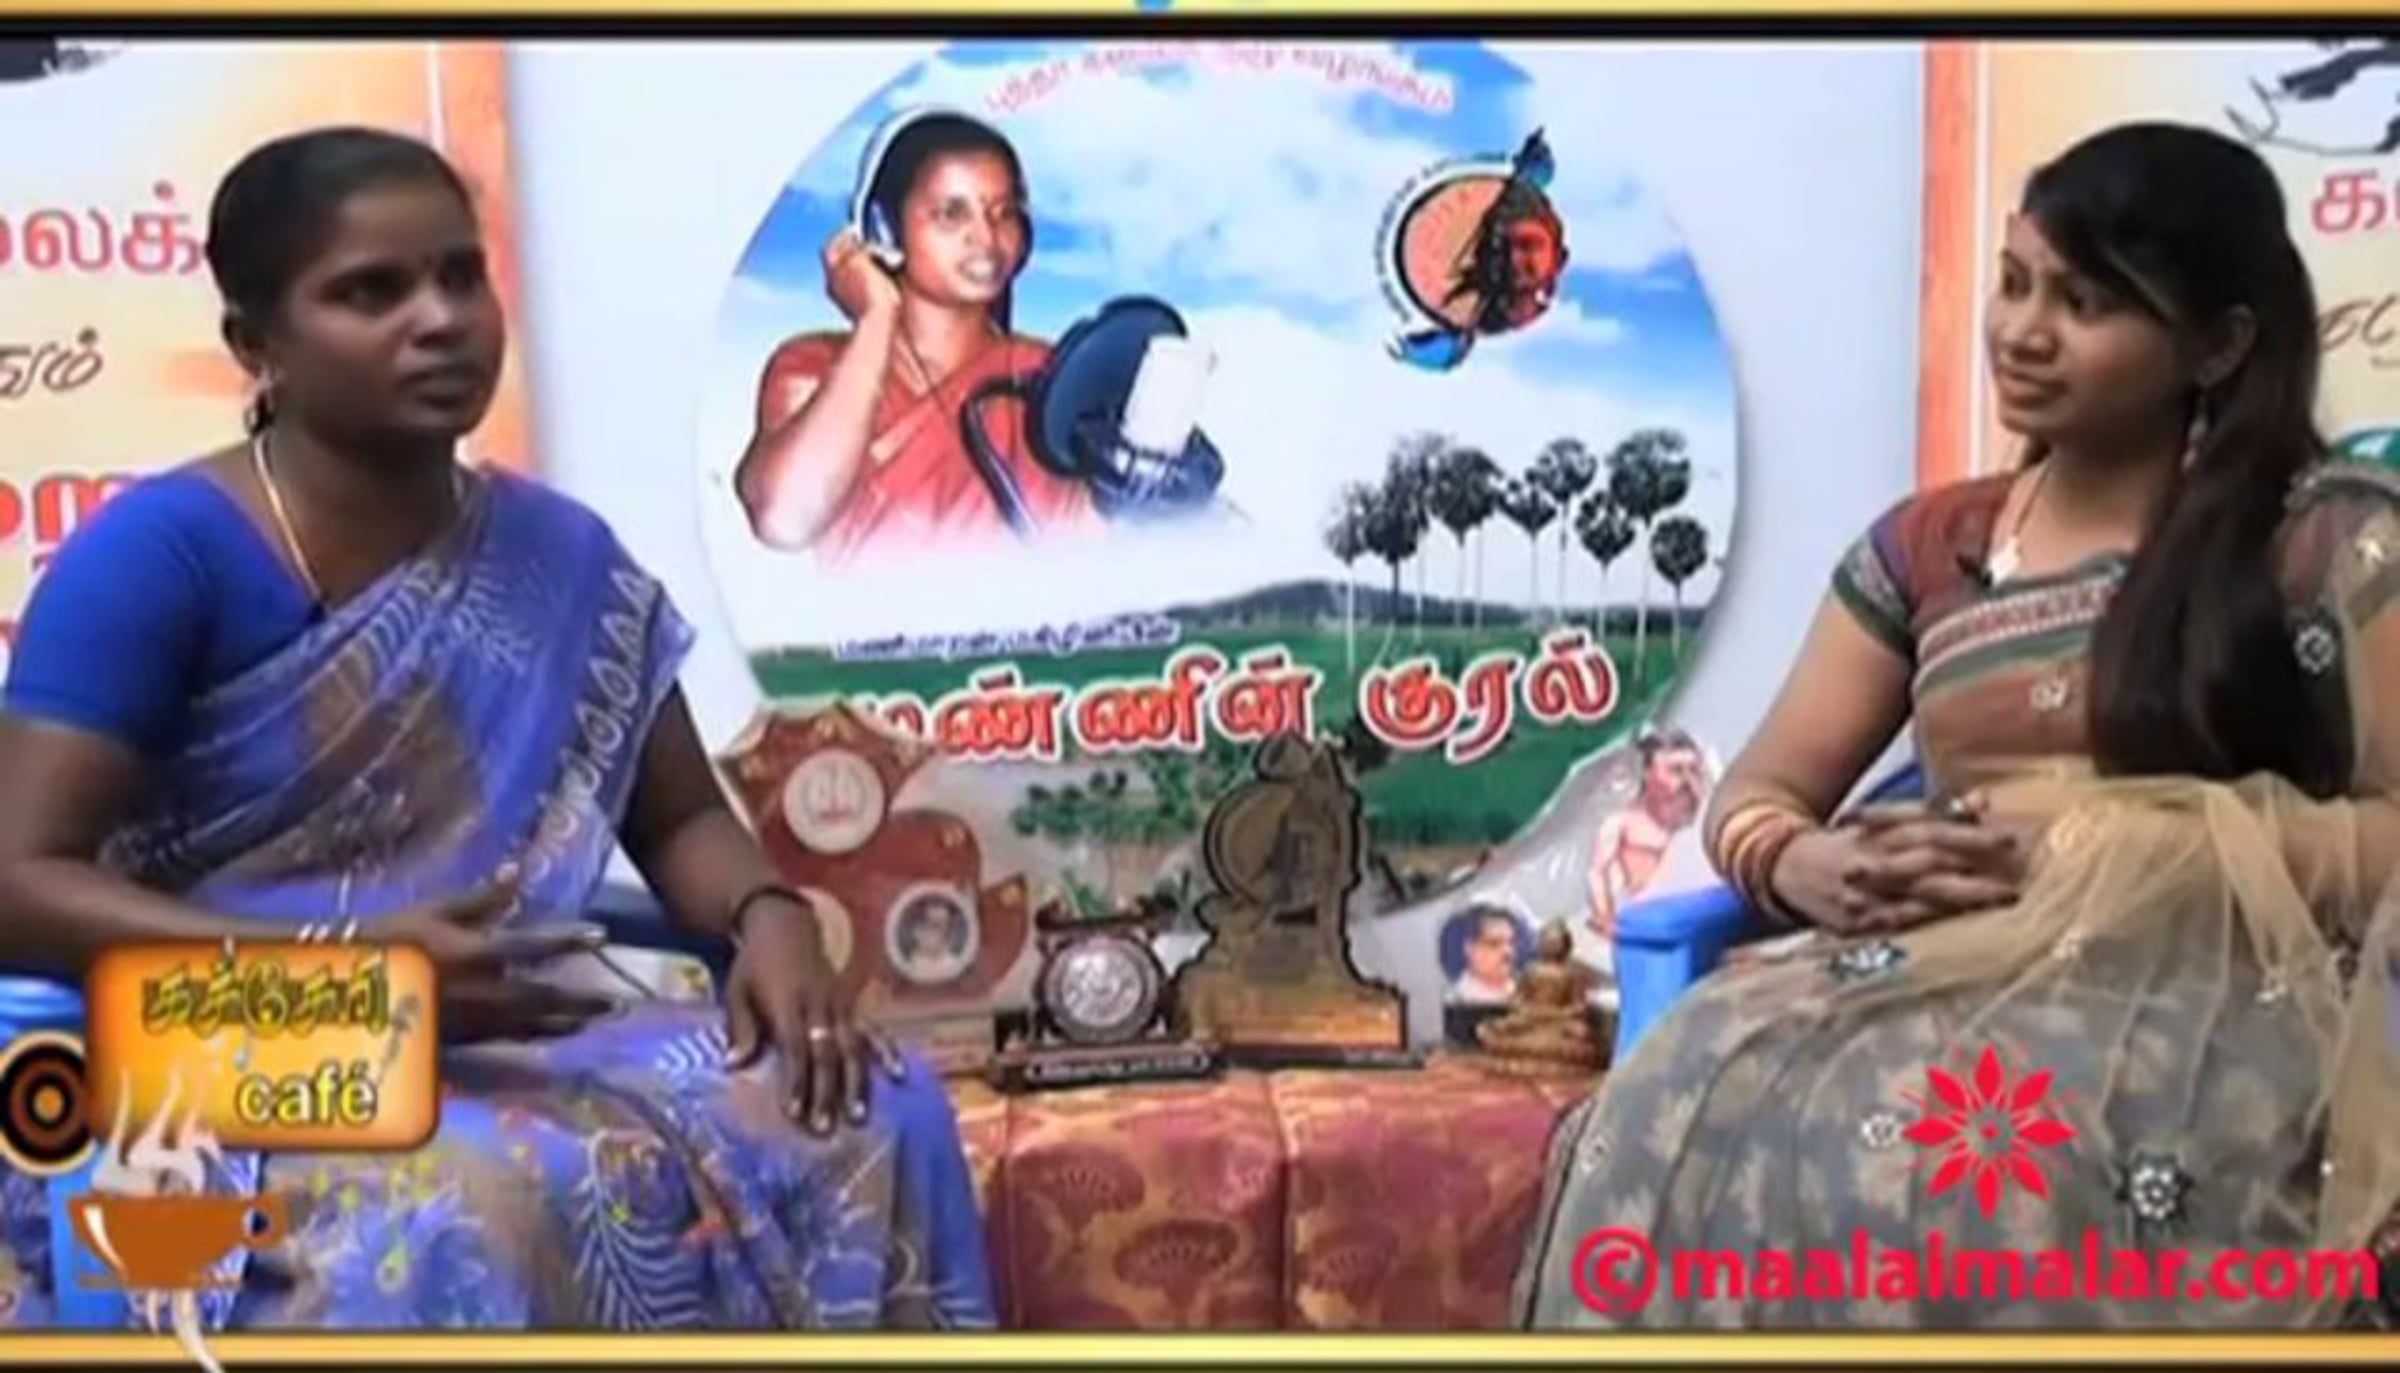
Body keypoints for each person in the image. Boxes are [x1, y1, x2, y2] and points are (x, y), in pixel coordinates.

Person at [0, 128, 994, 1330]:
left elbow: (679, 813)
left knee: (876, 1102)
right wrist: (351, 974)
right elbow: (19, 881)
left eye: (459, 277)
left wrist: (769, 916)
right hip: (222, 1045)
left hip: (504, 1028)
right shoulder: (159, 554)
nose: (439, 320)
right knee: (467, 1198)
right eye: (371, 292)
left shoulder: (557, 551)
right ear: (257, 344)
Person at [1514, 122, 2400, 1328]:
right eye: (2014, 281)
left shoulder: (2319, 540)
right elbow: (1761, 794)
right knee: (1676, 1092)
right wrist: (1806, 863)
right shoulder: (1932, 548)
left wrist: (2113, 847)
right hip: (1916, 977)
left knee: (1978, 1153)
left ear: (2218, 344)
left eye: (2085, 303)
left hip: (2208, 1009)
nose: (2023, 330)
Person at [734, 110, 1092, 567]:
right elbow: (785, 521)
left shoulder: (1050, 376)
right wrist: (876, 319)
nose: (985, 238)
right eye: (951, 215)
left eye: (1003, 213)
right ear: (885, 229)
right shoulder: (811, 366)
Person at [1585, 727, 1711, 938]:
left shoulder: (1706, 820)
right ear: (1648, 773)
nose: (1688, 781)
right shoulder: (1621, 824)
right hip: (1651, 924)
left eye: (1694, 770)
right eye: (1676, 770)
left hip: (1705, 919)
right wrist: (1606, 920)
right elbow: (1597, 873)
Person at [1446, 906, 1527, 1005]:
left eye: (1511, 942)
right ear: (1470, 949)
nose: (1508, 951)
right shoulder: (1457, 1001)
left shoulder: (1526, 992)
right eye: (1494, 943)